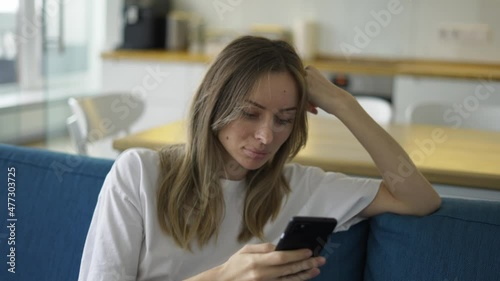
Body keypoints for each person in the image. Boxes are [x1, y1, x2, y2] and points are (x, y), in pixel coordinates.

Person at [78, 36, 441, 281]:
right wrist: (222, 277)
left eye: (284, 119)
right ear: (215, 104)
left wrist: (342, 104)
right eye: (250, 114)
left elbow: (419, 198)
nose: (267, 136)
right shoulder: (139, 174)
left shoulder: (300, 187)